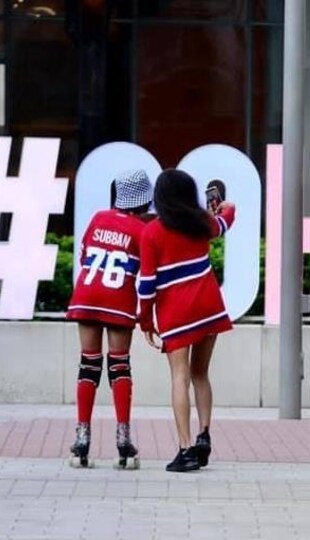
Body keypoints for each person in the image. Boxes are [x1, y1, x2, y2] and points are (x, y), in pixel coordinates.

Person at [137, 169, 235, 472]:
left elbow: (147, 284)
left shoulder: (152, 232)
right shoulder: (202, 223)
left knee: (179, 376)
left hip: (176, 313)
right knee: (200, 374)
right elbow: (227, 218)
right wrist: (219, 206)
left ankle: (185, 448)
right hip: (209, 306)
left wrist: (145, 320)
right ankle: (204, 434)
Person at [66, 169, 153, 469]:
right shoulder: (143, 231)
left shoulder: (98, 218)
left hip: (87, 295)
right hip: (119, 301)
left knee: (88, 364)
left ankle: (82, 437)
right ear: (144, 201)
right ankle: (123, 439)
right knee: (119, 365)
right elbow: (146, 274)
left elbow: (84, 256)